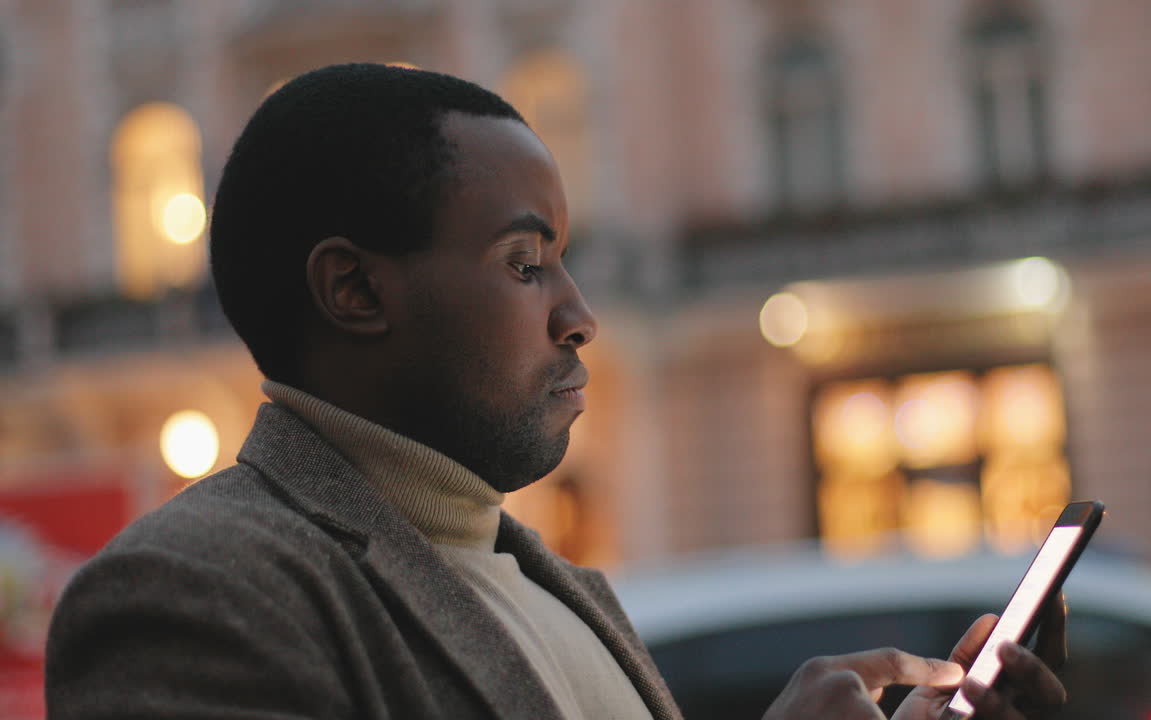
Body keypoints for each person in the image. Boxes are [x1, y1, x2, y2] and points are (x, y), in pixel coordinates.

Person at [45, 63, 1066, 720]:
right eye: (524, 262)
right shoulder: (191, 593)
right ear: (354, 289)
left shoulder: (559, 588)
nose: (578, 314)